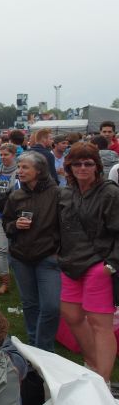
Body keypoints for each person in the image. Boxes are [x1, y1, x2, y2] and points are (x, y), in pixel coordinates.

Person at [58, 142, 119, 382]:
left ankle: (102, 379)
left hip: (98, 264)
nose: (82, 167)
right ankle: (93, 363)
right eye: (77, 163)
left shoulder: (110, 193)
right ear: (69, 167)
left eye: (88, 163)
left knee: (99, 322)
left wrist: (111, 265)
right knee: (71, 315)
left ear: (97, 166)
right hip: (70, 264)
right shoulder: (65, 192)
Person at [1, 151, 61, 352]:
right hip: (21, 257)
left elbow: (66, 225)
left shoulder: (56, 193)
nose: (20, 171)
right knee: (30, 304)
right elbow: (6, 223)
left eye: (25, 167)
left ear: (39, 170)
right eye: (19, 167)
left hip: (48, 257)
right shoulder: (16, 195)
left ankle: (44, 347)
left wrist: (58, 250)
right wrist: (15, 225)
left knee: (51, 307)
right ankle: (35, 348)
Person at [0, 143, 21, 294]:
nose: (2, 157)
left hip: (14, 217)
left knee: (15, 250)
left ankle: (21, 277)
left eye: (6, 154)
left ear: (14, 155)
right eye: (0, 155)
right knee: (1, 248)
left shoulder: (21, 173)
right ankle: (5, 282)